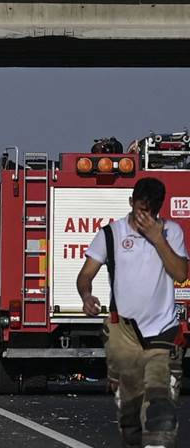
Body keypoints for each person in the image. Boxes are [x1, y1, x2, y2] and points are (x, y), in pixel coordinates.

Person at [77, 177, 188, 448]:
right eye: (140, 210)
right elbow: (85, 275)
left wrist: (157, 238)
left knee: (160, 404)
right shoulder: (110, 234)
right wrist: (87, 295)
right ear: (131, 203)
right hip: (124, 333)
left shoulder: (171, 232)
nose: (144, 217)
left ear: (159, 209)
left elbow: (181, 273)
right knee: (130, 410)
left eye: (150, 212)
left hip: (162, 331)